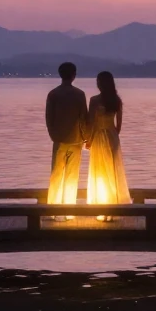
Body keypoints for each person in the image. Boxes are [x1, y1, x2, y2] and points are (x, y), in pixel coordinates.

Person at [85, 71, 131, 219]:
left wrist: (88, 140)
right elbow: (119, 126)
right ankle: (112, 206)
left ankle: (102, 206)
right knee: (112, 169)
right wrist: (113, 135)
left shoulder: (94, 100)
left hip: (99, 136)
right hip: (112, 136)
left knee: (100, 170)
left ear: (100, 83)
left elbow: (91, 123)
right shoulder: (116, 100)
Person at [45, 62, 88, 210]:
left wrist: (53, 135)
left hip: (59, 139)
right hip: (76, 139)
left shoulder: (53, 94)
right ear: (74, 75)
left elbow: (49, 118)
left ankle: (53, 209)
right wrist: (86, 137)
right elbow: (83, 118)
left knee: (56, 174)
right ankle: (68, 209)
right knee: (72, 176)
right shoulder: (79, 94)